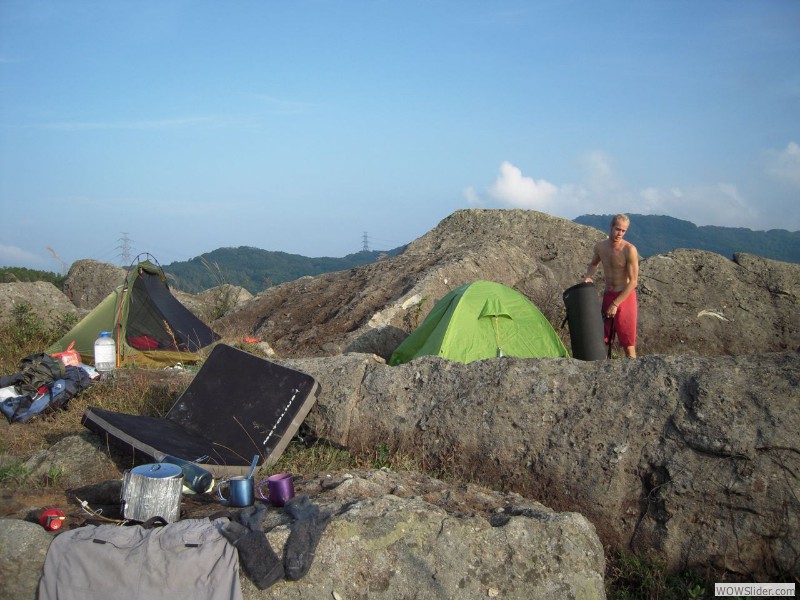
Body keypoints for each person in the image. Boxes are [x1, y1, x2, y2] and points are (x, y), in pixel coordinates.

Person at [583, 214, 639, 358]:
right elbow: (594, 264)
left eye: (623, 231)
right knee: (603, 339)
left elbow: (633, 281)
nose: (619, 233)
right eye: (617, 229)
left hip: (625, 297)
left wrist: (616, 304)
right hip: (609, 294)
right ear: (611, 226)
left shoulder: (629, 249)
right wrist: (588, 276)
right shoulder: (601, 246)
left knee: (628, 342)